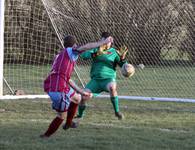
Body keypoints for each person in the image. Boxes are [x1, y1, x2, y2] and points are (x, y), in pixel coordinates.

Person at [40, 35, 113, 138]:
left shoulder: (61, 56)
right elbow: (87, 47)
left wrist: (81, 91)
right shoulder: (70, 51)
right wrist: (102, 42)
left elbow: (68, 79)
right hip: (58, 88)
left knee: (77, 98)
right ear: (74, 45)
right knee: (61, 115)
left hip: (58, 84)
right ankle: (46, 136)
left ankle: (69, 123)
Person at [73, 32, 128, 126]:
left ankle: (117, 112)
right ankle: (80, 116)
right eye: (106, 40)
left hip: (108, 79)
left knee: (112, 87)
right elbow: (83, 56)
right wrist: (96, 53)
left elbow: (123, 66)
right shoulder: (96, 49)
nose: (107, 43)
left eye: (110, 41)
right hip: (96, 81)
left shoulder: (114, 52)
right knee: (84, 97)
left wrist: (122, 58)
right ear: (101, 41)